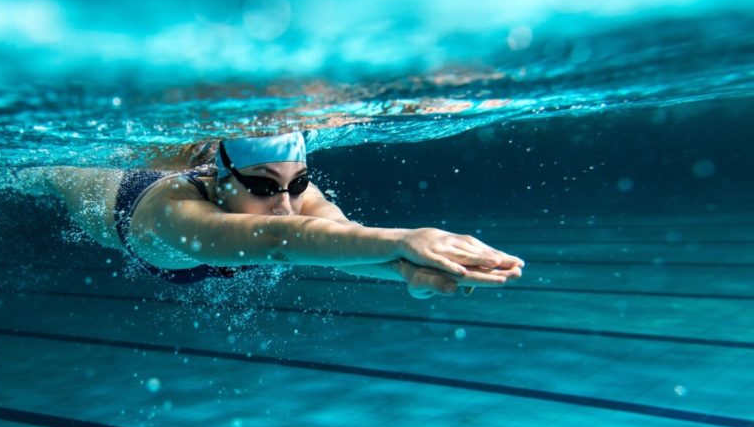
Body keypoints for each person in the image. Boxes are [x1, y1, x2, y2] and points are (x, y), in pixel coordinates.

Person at [41, 131, 523, 298]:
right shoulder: (174, 213)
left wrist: (406, 272)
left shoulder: (289, 199)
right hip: (109, 193)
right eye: (264, 186)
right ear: (220, 180)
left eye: (297, 184)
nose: (286, 204)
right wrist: (407, 239)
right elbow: (279, 240)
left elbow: (339, 240)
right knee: (44, 171)